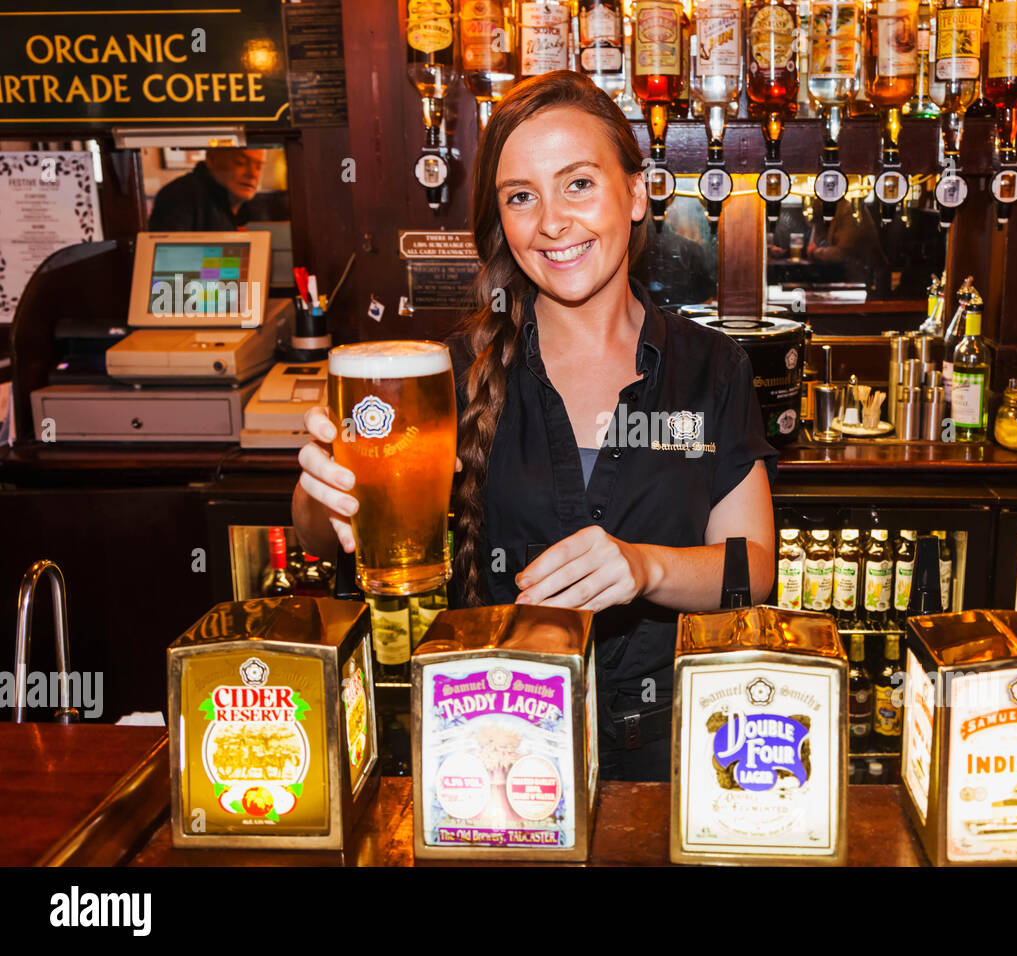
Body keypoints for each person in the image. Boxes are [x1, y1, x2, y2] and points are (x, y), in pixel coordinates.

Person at [292, 71, 777, 782]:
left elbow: (753, 568)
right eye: (521, 196)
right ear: (501, 222)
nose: (551, 220)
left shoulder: (712, 367)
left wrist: (645, 565)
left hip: (667, 762)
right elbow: (321, 535)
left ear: (637, 194)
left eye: (578, 183)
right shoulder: (439, 376)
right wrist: (318, 495)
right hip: (489, 760)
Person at [148, 147, 266, 231]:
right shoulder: (179, 196)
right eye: (241, 162)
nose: (252, 174)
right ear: (211, 159)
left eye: (259, 167)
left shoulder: (255, 208)